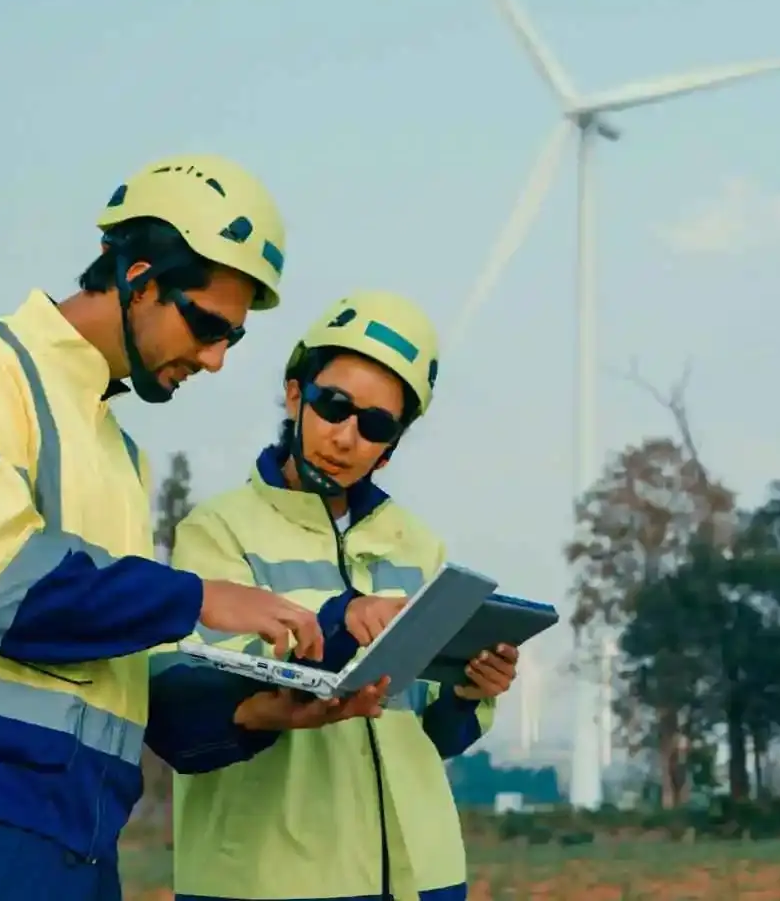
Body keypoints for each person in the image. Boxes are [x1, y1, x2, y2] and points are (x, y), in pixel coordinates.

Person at [0, 155, 327, 901]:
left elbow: (113, 665)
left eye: (232, 337)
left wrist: (255, 709)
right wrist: (201, 594)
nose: (216, 359)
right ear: (137, 277)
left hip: (81, 835)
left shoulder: (120, 452)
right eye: (205, 325)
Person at [145, 289, 520, 901]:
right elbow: (195, 701)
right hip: (269, 882)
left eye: (374, 425)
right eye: (333, 406)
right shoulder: (216, 531)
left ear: (392, 444)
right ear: (296, 394)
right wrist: (343, 620)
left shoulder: (418, 545)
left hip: (422, 880)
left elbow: (432, 737)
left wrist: (470, 689)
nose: (345, 437)